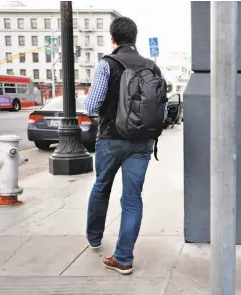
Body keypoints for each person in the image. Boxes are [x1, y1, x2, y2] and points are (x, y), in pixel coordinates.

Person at [84, 16, 165, 275]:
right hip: (141, 144)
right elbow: (161, 111)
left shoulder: (106, 65)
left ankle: (94, 238)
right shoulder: (152, 67)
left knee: (101, 188)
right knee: (132, 200)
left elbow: (91, 106)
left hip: (110, 139)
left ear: (113, 38)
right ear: (135, 37)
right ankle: (123, 258)